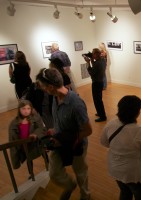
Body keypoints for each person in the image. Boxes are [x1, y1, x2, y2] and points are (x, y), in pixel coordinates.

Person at [36, 68, 92, 200]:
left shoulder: (75, 104)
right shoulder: (55, 99)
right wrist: (54, 130)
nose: (42, 89)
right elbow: (60, 123)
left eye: (43, 86)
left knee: (81, 173)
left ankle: (86, 195)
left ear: (50, 87)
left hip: (77, 145)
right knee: (54, 172)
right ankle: (69, 185)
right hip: (58, 141)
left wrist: (64, 139)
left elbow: (88, 130)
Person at [101, 95, 141, 200]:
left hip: (116, 169)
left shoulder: (111, 124)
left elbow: (104, 142)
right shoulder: (140, 131)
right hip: (135, 174)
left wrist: (119, 148)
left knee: (124, 192)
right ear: (136, 112)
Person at [8, 100, 46, 172]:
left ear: (31, 109)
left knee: (44, 154)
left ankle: (49, 165)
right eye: (23, 109)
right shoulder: (14, 124)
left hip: (36, 143)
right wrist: (15, 162)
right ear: (19, 109)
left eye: (28, 108)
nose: (26, 111)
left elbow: (41, 128)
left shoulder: (35, 118)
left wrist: (36, 134)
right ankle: (31, 173)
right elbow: (12, 141)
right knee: (29, 160)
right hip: (24, 146)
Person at [84, 48, 107, 122]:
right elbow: (96, 67)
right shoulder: (103, 60)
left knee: (97, 100)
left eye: (93, 54)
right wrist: (91, 60)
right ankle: (100, 113)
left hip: (96, 83)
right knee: (99, 99)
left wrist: (88, 63)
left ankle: (102, 116)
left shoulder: (97, 63)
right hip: (100, 82)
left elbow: (92, 73)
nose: (92, 55)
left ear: (95, 54)